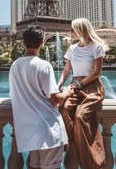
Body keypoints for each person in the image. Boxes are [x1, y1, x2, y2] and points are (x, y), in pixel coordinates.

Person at [9, 25, 73, 169]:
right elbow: (54, 99)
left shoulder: (14, 66)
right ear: (42, 42)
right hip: (47, 129)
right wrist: (68, 92)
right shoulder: (43, 65)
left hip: (28, 131)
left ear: (24, 43)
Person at [57, 18, 107, 169]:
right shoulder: (72, 49)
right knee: (64, 108)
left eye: (72, 30)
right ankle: (71, 142)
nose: (70, 32)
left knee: (79, 117)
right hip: (75, 86)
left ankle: (92, 160)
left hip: (91, 86)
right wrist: (58, 84)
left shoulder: (96, 47)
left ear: (80, 30)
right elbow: (66, 70)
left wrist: (80, 83)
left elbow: (97, 72)